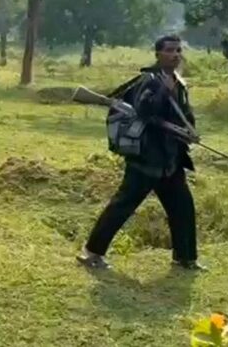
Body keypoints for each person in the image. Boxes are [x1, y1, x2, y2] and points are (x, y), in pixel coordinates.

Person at [77, 35, 205, 271]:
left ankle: (186, 258)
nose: (175, 55)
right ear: (158, 54)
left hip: (171, 158)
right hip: (146, 157)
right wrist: (163, 92)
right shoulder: (150, 81)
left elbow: (184, 114)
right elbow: (144, 112)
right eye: (170, 50)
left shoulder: (178, 82)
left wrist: (189, 132)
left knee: (183, 208)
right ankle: (91, 253)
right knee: (122, 206)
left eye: (178, 50)